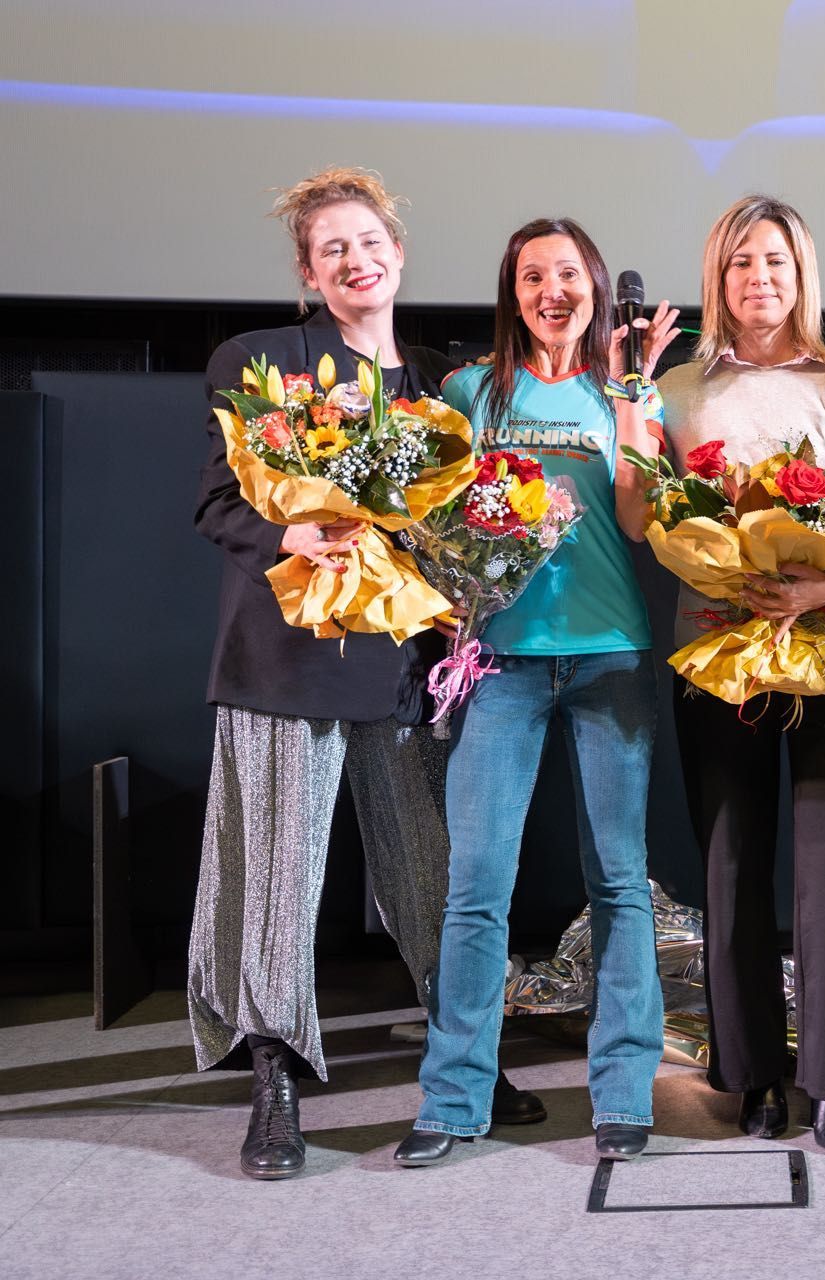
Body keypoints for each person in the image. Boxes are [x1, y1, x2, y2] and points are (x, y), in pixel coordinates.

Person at [187, 168, 544, 1181]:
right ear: (309, 271)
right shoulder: (260, 361)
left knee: (433, 874)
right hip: (283, 664)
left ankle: (464, 1058)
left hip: (406, 669)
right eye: (332, 247)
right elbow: (218, 503)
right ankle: (277, 1084)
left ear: (398, 252)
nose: (356, 258)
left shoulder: (440, 378)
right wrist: (282, 523)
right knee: (280, 884)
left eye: (368, 240)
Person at [395, 218, 678, 1166]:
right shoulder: (473, 391)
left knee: (618, 883)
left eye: (567, 273)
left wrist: (637, 402)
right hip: (505, 664)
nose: (551, 290)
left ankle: (625, 1096)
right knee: (477, 888)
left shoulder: (625, 392)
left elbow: (638, 526)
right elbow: (436, 516)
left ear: (597, 287)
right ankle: (452, 1099)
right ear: (512, 294)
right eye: (531, 276)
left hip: (608, 659)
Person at [655, 195, 825, 1154]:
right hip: (717, 646)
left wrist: (816, 584)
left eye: (778, 262)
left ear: (804, 276)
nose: (760, 279)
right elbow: (654, 508)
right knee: (733, 859)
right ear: (719, 278)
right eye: (743, 262)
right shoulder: (674, 391)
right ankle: (748, 1072)